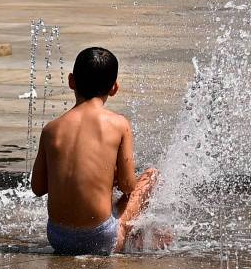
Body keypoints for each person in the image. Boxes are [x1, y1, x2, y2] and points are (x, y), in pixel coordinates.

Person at [31, 46, 167, 255]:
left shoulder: (51, 129)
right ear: (114, 88)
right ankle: (134, 236)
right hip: (102, 239)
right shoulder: (119, 124)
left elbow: (38, 188)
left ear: (71, 81)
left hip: (58, 238)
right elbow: (128, 186)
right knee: (151, 176)